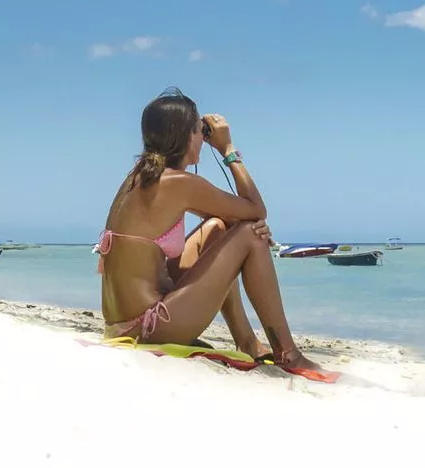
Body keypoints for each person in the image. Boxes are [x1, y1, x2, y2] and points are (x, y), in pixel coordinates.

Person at [96, 88, 325, 376]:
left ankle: (249, 343)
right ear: (186, 136)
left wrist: (236, 226)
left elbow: (227, 217)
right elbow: (256, 210)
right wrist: (228, 150)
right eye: (198, 132)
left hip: (125, 323)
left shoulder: (140, 177)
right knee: (250, 234)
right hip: (150, 326)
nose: (203, 141)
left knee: (219, 228)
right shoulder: (179, 183)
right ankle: (288, 354)